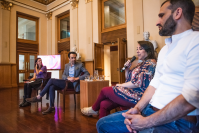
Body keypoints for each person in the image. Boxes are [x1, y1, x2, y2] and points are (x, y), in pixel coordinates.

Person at [96, 0, 199, 132]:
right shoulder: (165, 49)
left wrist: (145, 123)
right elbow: (155, 83)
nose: (157, 22)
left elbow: (192, 97)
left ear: (178, 13)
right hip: (150, 110)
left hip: (178, 121)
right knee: (103, 124)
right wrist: (137, 109)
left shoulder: (195, 41)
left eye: (161, 15)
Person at [81, 41, 157, 118]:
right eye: (137, 49)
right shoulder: (141, 63)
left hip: (139, 96)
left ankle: (94, 109)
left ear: (148, 50)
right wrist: (127, 69)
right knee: (103, 104)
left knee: (105, 90)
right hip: (131, 91)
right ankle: (105, 128)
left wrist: (120, 85)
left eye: (140, 49)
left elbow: (137, 83)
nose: (137, 51)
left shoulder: (150, 63)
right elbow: (128, 79)